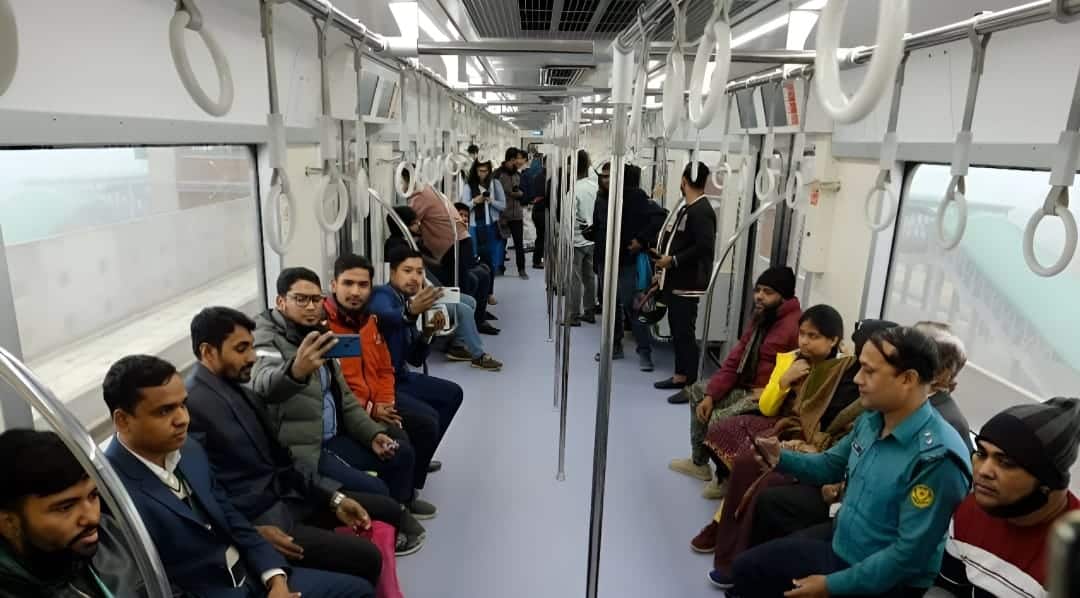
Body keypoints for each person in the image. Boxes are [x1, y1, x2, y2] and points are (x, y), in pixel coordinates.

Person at [726, 326, 973, 598]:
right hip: (844, 541)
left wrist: (831, 586)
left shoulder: (937, 458)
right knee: (747, 569)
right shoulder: (873, 419)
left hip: (884, 579)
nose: (857, 378)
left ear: (907, 379)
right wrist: (780, 457)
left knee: (755, 576)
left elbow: (907, 557)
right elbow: (829, 465)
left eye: (869, 371)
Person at [103, 355, 372, 597]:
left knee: (358, 589)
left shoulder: (190, 450)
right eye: (164, 411)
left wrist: (275, 577)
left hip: (254, 575)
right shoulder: (112, 495)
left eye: (182, 405)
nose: (182, 419)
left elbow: (231, 517)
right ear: (122, 421)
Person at [185, 306, 427, 574]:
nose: (252, 357)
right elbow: (206, 496)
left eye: (251, 347)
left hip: (290, 497)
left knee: (388, 507)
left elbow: (283, 462)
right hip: (264, 520)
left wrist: (333, 498)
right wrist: (253, 535)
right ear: (208, 352)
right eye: (241, 349)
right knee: (367, 558)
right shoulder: (192, 408)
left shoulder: (240, 390)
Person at [693, 315, 889, 581]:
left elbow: (846, 451)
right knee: (747, 461)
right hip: (800, 438)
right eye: (860, 356)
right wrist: (791, 442)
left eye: (870, 365)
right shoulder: (836, 371)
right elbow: (802, 412)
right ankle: (726, 544)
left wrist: (808, 450)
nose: (860, 372)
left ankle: (742, 558)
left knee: (767, 485)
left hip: (828, 466)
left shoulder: (881, 403)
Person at [250, 267, 436, 519]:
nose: (310, 306)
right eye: (300, 299)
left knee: (400, 453)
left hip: (337, 431)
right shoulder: (265, 338)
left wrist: (372, 435)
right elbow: (263, 384)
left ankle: (399, 511)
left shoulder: (322, 333)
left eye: (316, 299)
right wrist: (295, 372)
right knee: (376, 488)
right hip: (307, 447)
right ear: (281, 301)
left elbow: (345, 398)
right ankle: (391, 520)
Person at [668, 266, 801, 499]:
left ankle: (725, 477)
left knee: (720, 418)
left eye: (767, 292)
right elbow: (735, 358)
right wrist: (711, 394)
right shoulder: (761, 318)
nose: (759, 296)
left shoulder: (795, 327)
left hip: (770, 397)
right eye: (757, 290)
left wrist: (773, 391)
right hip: (748, 386)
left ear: (784, 296)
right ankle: (699, 463)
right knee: (699, 392)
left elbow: (799, 375)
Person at [934, 398, 1080, 598]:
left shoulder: (1071, 550)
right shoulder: (970, 511)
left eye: (1006, 462)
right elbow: (946, 589)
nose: (984, 471)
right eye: (982, 453)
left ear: (1048, 481)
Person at [701, 304, 845, 499]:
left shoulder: (841, 371)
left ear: (834, 340)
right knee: (720, 428)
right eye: (802, 334)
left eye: (813, 336)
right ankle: (728, 480)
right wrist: (784, 380)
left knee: (752, 455)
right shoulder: (790, 359)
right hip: (781, 419)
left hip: (813, 433)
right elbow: (767, 407)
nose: (804, 342)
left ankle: (744, 493)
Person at [324, 255, 443, 488]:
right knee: (405, 442)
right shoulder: (324, 327)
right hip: (350, 413)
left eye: (363, 285)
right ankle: (400, 501)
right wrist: (372, 408)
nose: (356, 292)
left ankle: (408, 493)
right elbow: (336, 387)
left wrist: (385, 401)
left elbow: (384, 369)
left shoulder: (369, 322)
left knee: (424, 425)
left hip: (378, 398)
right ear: (333, 285)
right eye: (348, 283)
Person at [0, 429, 149, 598]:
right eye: (65, 507)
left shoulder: (111, 537)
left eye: (93, 495)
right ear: (9, 523)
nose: (93, 517)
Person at [369, 248, 472, 445]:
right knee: (429, 418)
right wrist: (409, 313)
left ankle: (424, 451)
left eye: (419, 272)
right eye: (407, 271)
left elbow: (414, 358)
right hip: (384, 382)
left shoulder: (407, 301)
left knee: (453, 394)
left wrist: (427, 333)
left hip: (401, 376)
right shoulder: (382, 295)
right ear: (392, 273)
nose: (415, 278)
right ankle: (420, 453)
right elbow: (385, 315)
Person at [592, 161, 667, 370]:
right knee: (609, 308)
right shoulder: (601, 199)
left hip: (625, 261)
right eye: (603, 176)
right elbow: (598, 226)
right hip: (604, 260)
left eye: (609, 176)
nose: (605, 180)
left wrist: (641, 241)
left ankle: (645, 352)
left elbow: (660, 216)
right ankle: (613, 346)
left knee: (633, 306)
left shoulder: (635, 196)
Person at [652, 162, 717, 391]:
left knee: (684, 332)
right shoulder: (688, 208)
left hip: (687, 282)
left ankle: (690, 382)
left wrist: (674, 260)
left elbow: (704, 246)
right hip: (676, 279)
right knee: (678, 330)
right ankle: (680, 375)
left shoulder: (701, 211)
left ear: (683, 180)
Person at [461, 158, 506, 279]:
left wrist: (491, 201)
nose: (483, 174)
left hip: (491, 225)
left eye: (486, 171)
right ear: (475, 170)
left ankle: (489, 292)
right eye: (480, 171)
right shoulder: (468, 187)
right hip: (474, 226)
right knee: (474, 258)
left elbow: (503, 206)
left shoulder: (495, 184)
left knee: (490, 260)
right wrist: (475, 201)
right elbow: (463, 208)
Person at [567, 149, 598, 327]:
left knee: (575, 279)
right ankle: (589, 311)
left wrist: (564, 238)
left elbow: (568, 220)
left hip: (576, 240)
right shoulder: (595, 187)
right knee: (590, 277)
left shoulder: (575, 190)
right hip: (592, 240)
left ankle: (573, 315)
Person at [496, 147, 529, 279]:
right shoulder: (498, 175)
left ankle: (521, 269)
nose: (518, 161)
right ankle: (499, 267)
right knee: (501, 243)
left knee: (519, 243)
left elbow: (524, 193)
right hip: (502, 214)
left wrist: (520, 194)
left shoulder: (518, 175)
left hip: (516, 215)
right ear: (510, 159)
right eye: (516, 159)